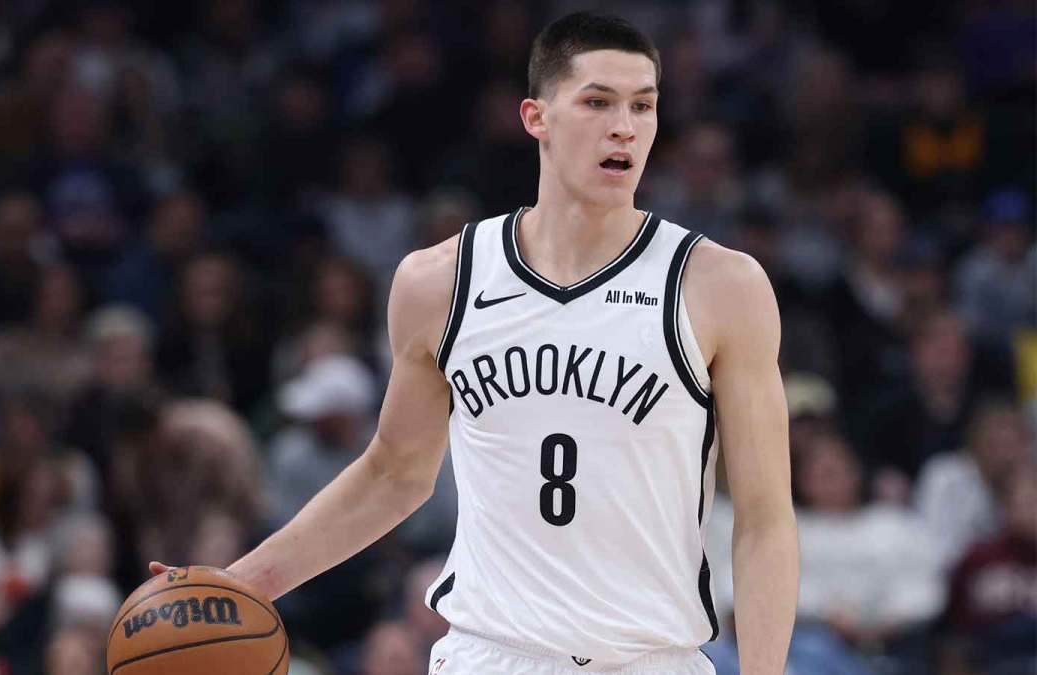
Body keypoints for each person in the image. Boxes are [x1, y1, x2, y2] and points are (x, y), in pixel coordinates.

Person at [153, 12, 798, 675]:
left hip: (648, 659)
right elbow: (395, 474)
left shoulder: (719, 285)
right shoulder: (440, 282)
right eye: (598, 101)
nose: (624, 127)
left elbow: (764, 518)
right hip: (490, 655)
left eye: (644, 105)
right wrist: (237, 583)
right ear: (536, 117)